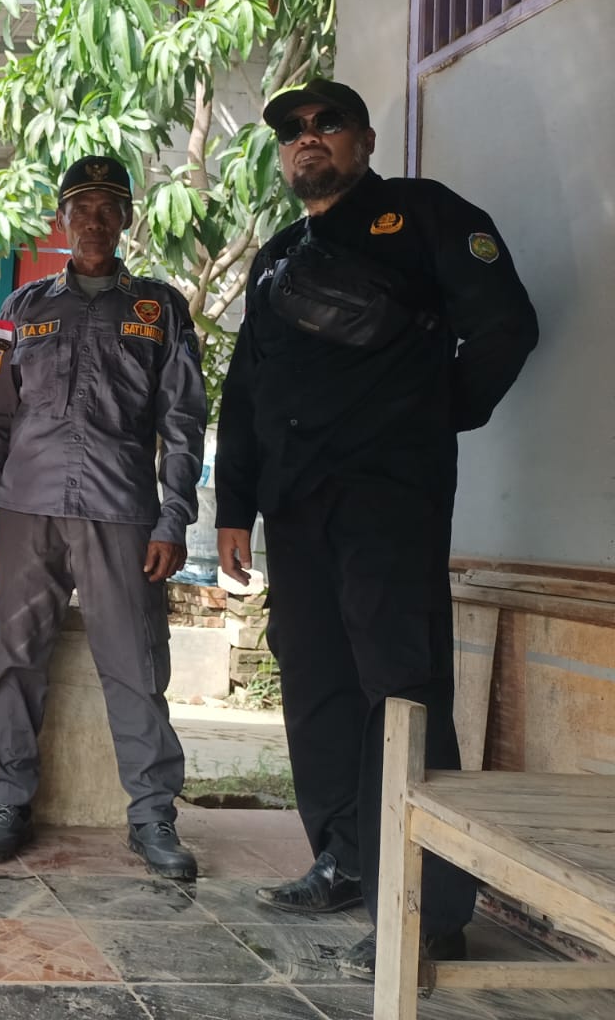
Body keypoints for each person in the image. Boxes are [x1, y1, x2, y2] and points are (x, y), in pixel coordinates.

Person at [215, 79, 538, 976]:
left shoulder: (425, 216)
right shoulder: (279, 253)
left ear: (362, 139)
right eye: (292, 130)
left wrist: (433, 416)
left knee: (400, 686)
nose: (307, 138)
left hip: (387, 500)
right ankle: (347, 858)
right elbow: (246, 388)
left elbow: (507, 327)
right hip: (296, 508)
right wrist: (234, 505)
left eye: (327, 124)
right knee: (317, 682)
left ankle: (428, 908)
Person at [0, 155, 206, 877]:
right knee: (14, 661)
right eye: (80, 208)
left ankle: (153, 816)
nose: (94, 221)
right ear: (60, 220)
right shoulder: (22, 309)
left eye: (108, 207)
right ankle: (7, 802)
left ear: (127, 218)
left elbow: (184, 422)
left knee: (135, 664)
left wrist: (173, 518)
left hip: (120, 512)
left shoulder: (159, 309)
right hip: (26, 509)